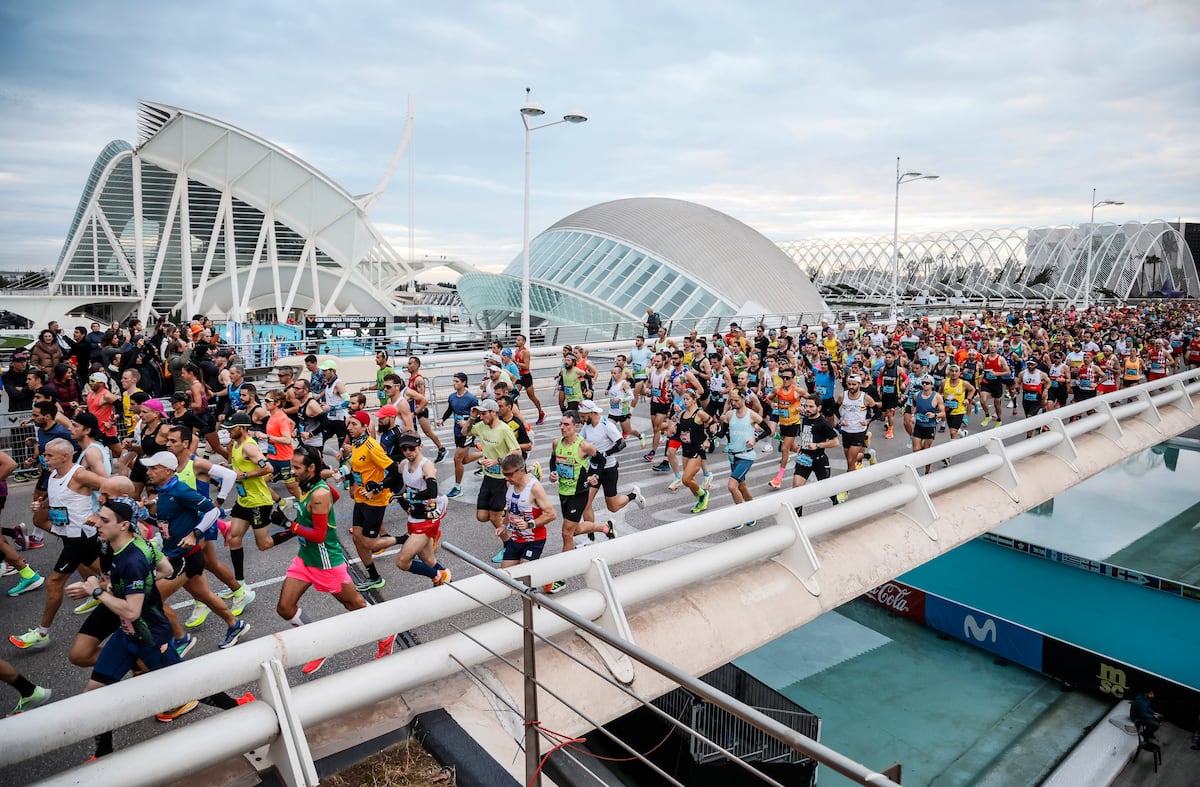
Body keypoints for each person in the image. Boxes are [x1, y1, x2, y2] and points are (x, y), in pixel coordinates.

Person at [64, 500, 252, 753]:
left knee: (188, 686)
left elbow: (132, 610)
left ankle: (237, 709)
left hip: (152, 637)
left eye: (104, 520)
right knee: (95, 693)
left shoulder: (133, 559)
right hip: (126, 634)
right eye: (99, 517)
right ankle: (103, 754)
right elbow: (164, 569)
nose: (96, 522)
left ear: (124, 525)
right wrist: (129, 585)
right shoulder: (133, 546)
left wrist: (97, 591)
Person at [277, 446, 396, 674]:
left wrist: (288, 524)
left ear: (311, 468)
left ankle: (386, 634)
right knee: (284, 607)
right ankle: (319, 647)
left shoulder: (319, 494)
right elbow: (337, 495)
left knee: (355, 605)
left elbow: (319, 535)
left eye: (297, 467)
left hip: (325, 560)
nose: (292, 471)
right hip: (305, 558)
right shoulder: (310, 485)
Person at [141, 451, 249, 656]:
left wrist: (195, 534)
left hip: (184, 556)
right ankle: (235, 625)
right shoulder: (162, 490)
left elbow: (212, 511)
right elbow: (165, 523)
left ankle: (181, 638)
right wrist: (146, 513)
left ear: (167, 470)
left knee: (150, 599)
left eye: (153, 468)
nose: (149, 472)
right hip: (176, 553)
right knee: (204, 595)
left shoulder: (180, 489)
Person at [9, 438, 104, 650]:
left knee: (53, 583)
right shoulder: (52, 475)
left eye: (50, 455)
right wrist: (42, 504)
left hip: (78, 537)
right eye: (44, 454)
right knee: (107, 572)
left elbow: (111, 487)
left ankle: (42, 633)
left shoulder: (79, 474)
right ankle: (137, 590)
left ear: (65, 456)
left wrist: (100, 514)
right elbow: (60, 498)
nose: (45, 458)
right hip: (73, 536)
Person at [345, 409, 401, 591]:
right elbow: (357, 469)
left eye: (354, 424)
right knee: (356, 538)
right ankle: (374, 577)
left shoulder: (371, 446)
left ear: (364, 426)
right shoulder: (355, 443)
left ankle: (405, 539)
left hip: (376, 501)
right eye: (348, 423)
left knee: (369, 543)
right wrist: (353, 484)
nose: (350, 427)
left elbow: (394, 471)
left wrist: (379, 486)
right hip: (361, 498)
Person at [392, 431, 452, 586]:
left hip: (427, 519)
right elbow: (394, 479)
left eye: (411, 448)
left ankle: (438, 576)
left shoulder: (426, 466)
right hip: (414, 516)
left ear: (420, 446)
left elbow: (431, 491)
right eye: (404, 449)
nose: (408, 452)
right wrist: (378, 486)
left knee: (402, 561)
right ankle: (445, 578)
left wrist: (408, 497)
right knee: (428, 560)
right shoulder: (404, 464)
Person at [465, 399, 522, 561]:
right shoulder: (481, 426)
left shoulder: (504, 430)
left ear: (493, 412)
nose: (481, 416)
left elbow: (517, 451)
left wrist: (497, 461)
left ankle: (508, 545)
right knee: (482, 516)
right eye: (480, 413)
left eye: (484, 413)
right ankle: (506, 510)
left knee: (494, 517)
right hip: (488, 477)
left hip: (502, 479)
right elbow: (465, 432)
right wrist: (471, 417)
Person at [498, 454, 559, 591]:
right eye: (504, 474)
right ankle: (545, 577)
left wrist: (529, 524)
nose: (506, 478)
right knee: (505, 575)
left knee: (526, 577)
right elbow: (511, 507)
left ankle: (534, 604)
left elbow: (551, 514)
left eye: (509, 474)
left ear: (521, 470)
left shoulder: (534, 488)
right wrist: (503, 525)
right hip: (516, 538)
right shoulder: (510, 484)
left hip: (534, 539)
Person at [720, 388, 765, 528]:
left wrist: (755, 439)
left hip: (746, 456)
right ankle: (753, 511)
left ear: (744, 399)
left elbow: (769, 430)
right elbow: (721, 434)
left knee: (732, 486)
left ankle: (742, 517)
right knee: (742, 486)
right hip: (733, 456)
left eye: (736, 400)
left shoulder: (752, 415)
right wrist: (712, 429)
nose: (733, 403)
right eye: (731, 400)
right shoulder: (729, 415)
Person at [791, 397, 842, 515]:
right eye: (806, 406)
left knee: (826, 489)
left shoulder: (823, 423)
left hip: (819, 461)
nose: (807, 409)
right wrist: (801, 447)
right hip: (804, 459)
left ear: (819, 408)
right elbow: (807, 436)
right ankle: (798, 518)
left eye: (811, 407)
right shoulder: (805, 419)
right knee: (797, 488)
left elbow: (835, 442)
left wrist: (818, 445)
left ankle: (838, 504)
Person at [438, 372, 479, 498]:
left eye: (457, 381)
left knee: (457, 459)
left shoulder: (472, 398)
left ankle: (457, 487)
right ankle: (486, 453)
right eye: (454, 381)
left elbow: (479, 416)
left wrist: (467, 422)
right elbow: (450, 409)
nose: (454, 383)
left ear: (464, 383)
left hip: (468, 431)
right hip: (457, 431)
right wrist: (443, 419)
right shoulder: (452, 397)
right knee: (464, 459)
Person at [404, 356, 446, 461]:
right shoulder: (411, 379)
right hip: (414, 409)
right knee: (413, 432)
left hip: (419, 409)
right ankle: (415, 453)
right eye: (408, 363)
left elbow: (422, 398)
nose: (407, 366)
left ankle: (442, 449)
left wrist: (416, 411)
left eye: (410, 364)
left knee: (428, 432)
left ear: (417, 365)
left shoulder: (418, 379)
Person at [512, 334, 547, 425]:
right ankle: (517, 416)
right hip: (518, 376)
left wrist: (515, 363)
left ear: (524, 342)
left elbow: (526, 366)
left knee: (531, 396)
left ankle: (541, 412)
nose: (517, 341)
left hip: (526, 376)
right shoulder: (516, 351)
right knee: (514, 395)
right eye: (517, 339)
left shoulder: (526, 352)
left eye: (519, 340)